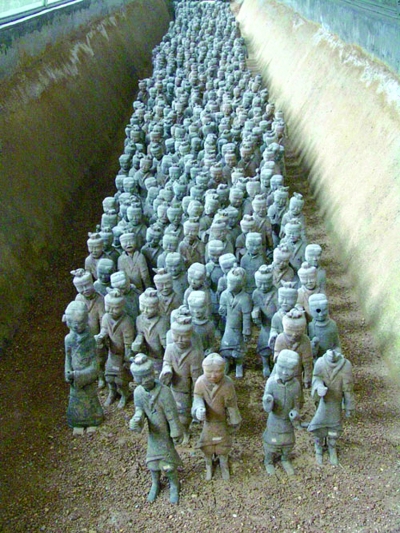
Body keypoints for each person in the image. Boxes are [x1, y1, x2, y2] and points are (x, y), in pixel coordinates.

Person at [129, 354, 183, 503]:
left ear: (153, 373)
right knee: (152, 464)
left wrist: (176, 431)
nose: (145, 380)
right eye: (140, 378)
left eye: (147, 375)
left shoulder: (164, 392)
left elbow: (171, 414)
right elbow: (139, 409)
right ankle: (155, 483)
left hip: (165, 434)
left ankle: (174, 484)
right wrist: (137, 419)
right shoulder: (138, 393)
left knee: (168, 465)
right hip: (154, 434)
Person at [192, 353, 241, 481]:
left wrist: (235, 419)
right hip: (208, 422)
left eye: (218, 372)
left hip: (221, 421)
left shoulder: (227, 383)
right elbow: (197, 398)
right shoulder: (200, 382)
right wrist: (198, 410)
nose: (213, 376)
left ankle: (223, 463)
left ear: (223, 370)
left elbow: (232, 404)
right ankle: (208, 464)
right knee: (206, 445)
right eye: (209, 372)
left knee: (223, 445)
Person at [308, 349, 355, 465]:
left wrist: (349, 406)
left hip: (336, 403)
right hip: (323, 402)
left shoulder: (346, 365)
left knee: (334, 428)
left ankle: (332, 447)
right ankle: (318, 447)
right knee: (318, 426)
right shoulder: (320, 362)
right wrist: (319, 387)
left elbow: (348, 389)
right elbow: (316, 378)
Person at [63, 301, 104, 433]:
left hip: (87, 372)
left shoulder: (90, 339)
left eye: (80, 323)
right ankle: (77, 423)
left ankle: (93, 421)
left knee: (90, 397)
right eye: (74, 323)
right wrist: (68, 371)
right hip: (75, 375)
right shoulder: (68, 339)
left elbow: (94, 358)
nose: (77, 326)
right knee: (76, 399)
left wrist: (86, 373)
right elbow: (68, 357)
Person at [262, 349, 301, 475]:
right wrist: (268, 401)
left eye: (289, 369)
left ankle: (285, 458)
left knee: (288, 442)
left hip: (287, 421)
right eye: (282, 367)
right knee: (271, 442)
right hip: (274, 419)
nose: (285, 372)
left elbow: (298, 403)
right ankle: (268, 460)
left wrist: (295, 412)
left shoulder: (296, 385)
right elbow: (266, 408)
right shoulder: (271, 382)